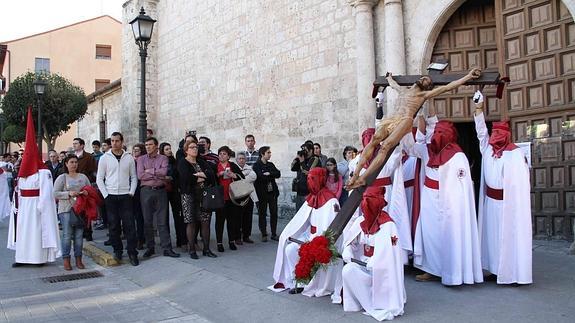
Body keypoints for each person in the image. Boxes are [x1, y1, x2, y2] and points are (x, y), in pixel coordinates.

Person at [347, 68, 482, 189]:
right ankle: (356, 174)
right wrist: (389, 79)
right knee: (374, 140)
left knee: (385, 147)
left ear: (427, 87)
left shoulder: (422, 96)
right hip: (392, 119)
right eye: (424, 78)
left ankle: (364, 179)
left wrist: (468, 77)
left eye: (427, 81)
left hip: (405, 120)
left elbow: (448, 87)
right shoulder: (403, 90)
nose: (424, 79)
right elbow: (393, 85)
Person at [411, 117, 483, 285]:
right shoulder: (427, 151)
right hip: (429, 200)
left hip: (449, 203)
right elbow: (411, 147)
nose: (436, 136)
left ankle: (452, 271)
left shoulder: (457, 157)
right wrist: (412, 122)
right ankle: (431, 269)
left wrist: (450, 203)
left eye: (441, 133)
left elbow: (459, 186)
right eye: (435, 132)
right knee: (429, 234)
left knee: (449, 235)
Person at [473, 91, 532, 285]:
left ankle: (512, 272)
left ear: (506, 136)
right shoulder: (487, 150)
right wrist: (478, 108)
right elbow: (481, 132)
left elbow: (520, 183)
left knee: (509, 238)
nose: (495, 136)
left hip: (508, 204)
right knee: (491, 237)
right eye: (494, 133)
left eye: (500, 134)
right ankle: (494, 268)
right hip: (491, 202)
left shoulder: (515, 154)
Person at [270, 168, 341, 298]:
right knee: (290, 249)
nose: (309, 182)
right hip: (309, 236)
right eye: (308, 178)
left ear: (320, 179)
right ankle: (297, 281)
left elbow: (331, 229)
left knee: (312, 255)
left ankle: (310, 282)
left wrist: (316, 242)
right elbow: (302, 221)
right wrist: (292, 234)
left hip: (321, 241)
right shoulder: (312, 197)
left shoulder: (331, 201)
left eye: (312, 179)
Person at [341, 186, 406, 321]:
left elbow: (392, 254)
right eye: (364, 200)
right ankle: (364, 303)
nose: (366, 204)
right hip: (362, 265)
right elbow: (351, 241)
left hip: (381, 270)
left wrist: (377, 261)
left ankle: (375, 306)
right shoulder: (360, 221)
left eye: (369, 200)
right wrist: (347, 250)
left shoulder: (388, 225)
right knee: (348, 270)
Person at [8, 108, 60, 267]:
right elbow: (18, 189)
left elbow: (46, 192)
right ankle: (22, 258)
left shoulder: (43, 172)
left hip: (36, 206)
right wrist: (16, 205)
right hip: (24, 206)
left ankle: (37, 258)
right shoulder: (23, 173)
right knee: (23, 231)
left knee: (36, 232)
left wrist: (41, 206)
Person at [96, 132, 140, 266]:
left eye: (117, 141)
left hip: (126, 196)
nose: (114, 143)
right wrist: (106, 195)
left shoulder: (129, 158)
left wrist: (131, 192)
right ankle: (118, 250)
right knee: (114, 226)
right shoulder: (105, 158)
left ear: (122, 142)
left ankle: (132, 252)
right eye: (113, 141)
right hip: (111, 196)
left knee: (130, 225)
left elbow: (134, 177)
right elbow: (99, 178)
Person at [137, 137, 180, 259]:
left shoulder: (163, 158)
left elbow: (164, 172)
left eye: (150, 144)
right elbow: (140, 175)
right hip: (146, 191)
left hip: (161, 191)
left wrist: (150, 171)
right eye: (146, 145)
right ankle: (150, 248)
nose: (148, 147)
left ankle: (167, 248)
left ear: (156, 146)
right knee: (147, 221)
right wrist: (156, 173)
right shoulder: (141, 159)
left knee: (162, 221)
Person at [178, 140, 217, 259]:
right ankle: (192, 250)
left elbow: (211, 175)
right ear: (186, 150)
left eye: (196, 147)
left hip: (203, 195)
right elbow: (185, 179)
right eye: (192, 147)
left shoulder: (201, 161)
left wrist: (201, 176)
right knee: (191, 222)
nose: (195, 149)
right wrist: (201, 177)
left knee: (205, 222)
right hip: (189, 196)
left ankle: (206, 249)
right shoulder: (183, 163)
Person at [53, 155, 91, 270]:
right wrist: (68, 194)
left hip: (80, 210)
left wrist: (85, 192)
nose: (74, 164)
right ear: (66, 164)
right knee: (67, 235)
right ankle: (66, 259)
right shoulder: (62, 177)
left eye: (75, 162)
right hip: (66, 210)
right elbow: (54, 193)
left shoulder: (83, 177)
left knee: (79, 236)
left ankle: (79, 259)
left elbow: (90, 190)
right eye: (71, 162)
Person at [215, 146, 244, 252]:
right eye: (220, 154)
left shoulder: (232, 165)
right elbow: (211, 178)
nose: (221, 156)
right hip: (219, 198)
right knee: (220, 221)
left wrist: (234, 175)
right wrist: (219, 174)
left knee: (231, 221)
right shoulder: (215, 166)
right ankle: (219, 243)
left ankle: (231, 241)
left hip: (231, 197)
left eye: (224, 154)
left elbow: (241, 177)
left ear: (228, 156)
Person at [160, 142, 187, 248]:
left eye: (170, 148)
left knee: (178, 216)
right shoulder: (160, 162)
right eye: (166, 149)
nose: (169, 151)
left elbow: (178, 175)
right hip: (163, 191)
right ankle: (166, 242)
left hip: (175, 190)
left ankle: (181, 240)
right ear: (162, 151)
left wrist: (172, 178)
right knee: (164, 217)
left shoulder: (175, 161)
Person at [253, 146, 281, 242]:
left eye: (270, 152)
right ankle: (264, 233)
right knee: (262, 213)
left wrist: (269, 173)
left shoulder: (270, 164)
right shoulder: (256, 165)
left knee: (274, 213)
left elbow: (278, 173)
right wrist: (269, 175)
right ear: (262, 154)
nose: (270, 154)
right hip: (262, 194)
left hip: (272, 193)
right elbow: (260, 177)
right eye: (268, 152)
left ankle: (274, 233)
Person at [72, 137, 97, 241]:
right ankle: (78, 232)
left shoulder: (88, 157)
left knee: (86, 211)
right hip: (73, 187)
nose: (74, 145)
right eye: (73, 143)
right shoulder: (72, 157)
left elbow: (93, 171)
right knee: (76, 210)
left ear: (82, 145)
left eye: (76, 143)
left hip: (85, 187)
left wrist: (87, 182)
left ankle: (88, 232)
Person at [291, 142, 320, 210]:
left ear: (311, 151)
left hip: (309, 192)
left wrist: (302, 162)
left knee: (306, 213)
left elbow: (308, 172)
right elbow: (292, 168)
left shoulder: (315, 159)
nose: (304, 151)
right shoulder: (302, 158)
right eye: (302, 149)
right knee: (299, 213)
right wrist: (297, 159)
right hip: (300, 190)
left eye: (305, 150)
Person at [235, 152, 257, 244]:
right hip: (239, 196)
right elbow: (236, 179)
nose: (241, 160)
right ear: (237, 160)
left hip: (249, 196)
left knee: (248, 218)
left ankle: (246, 236)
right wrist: (244, 177)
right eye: (239, 158)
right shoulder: (234, 168)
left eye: (243, 158)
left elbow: (254, 176)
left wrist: (242, 178)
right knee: (238, 218)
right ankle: (237, 237)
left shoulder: (249, 168)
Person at [130, 143, 146, 249]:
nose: (135, 152)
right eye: (134, 150)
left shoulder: (143, 161)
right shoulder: (130, 161)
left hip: (141, 190)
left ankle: (141, 239)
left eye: (137, 150)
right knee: (132, 216)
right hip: (131, 190)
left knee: (140, 216)